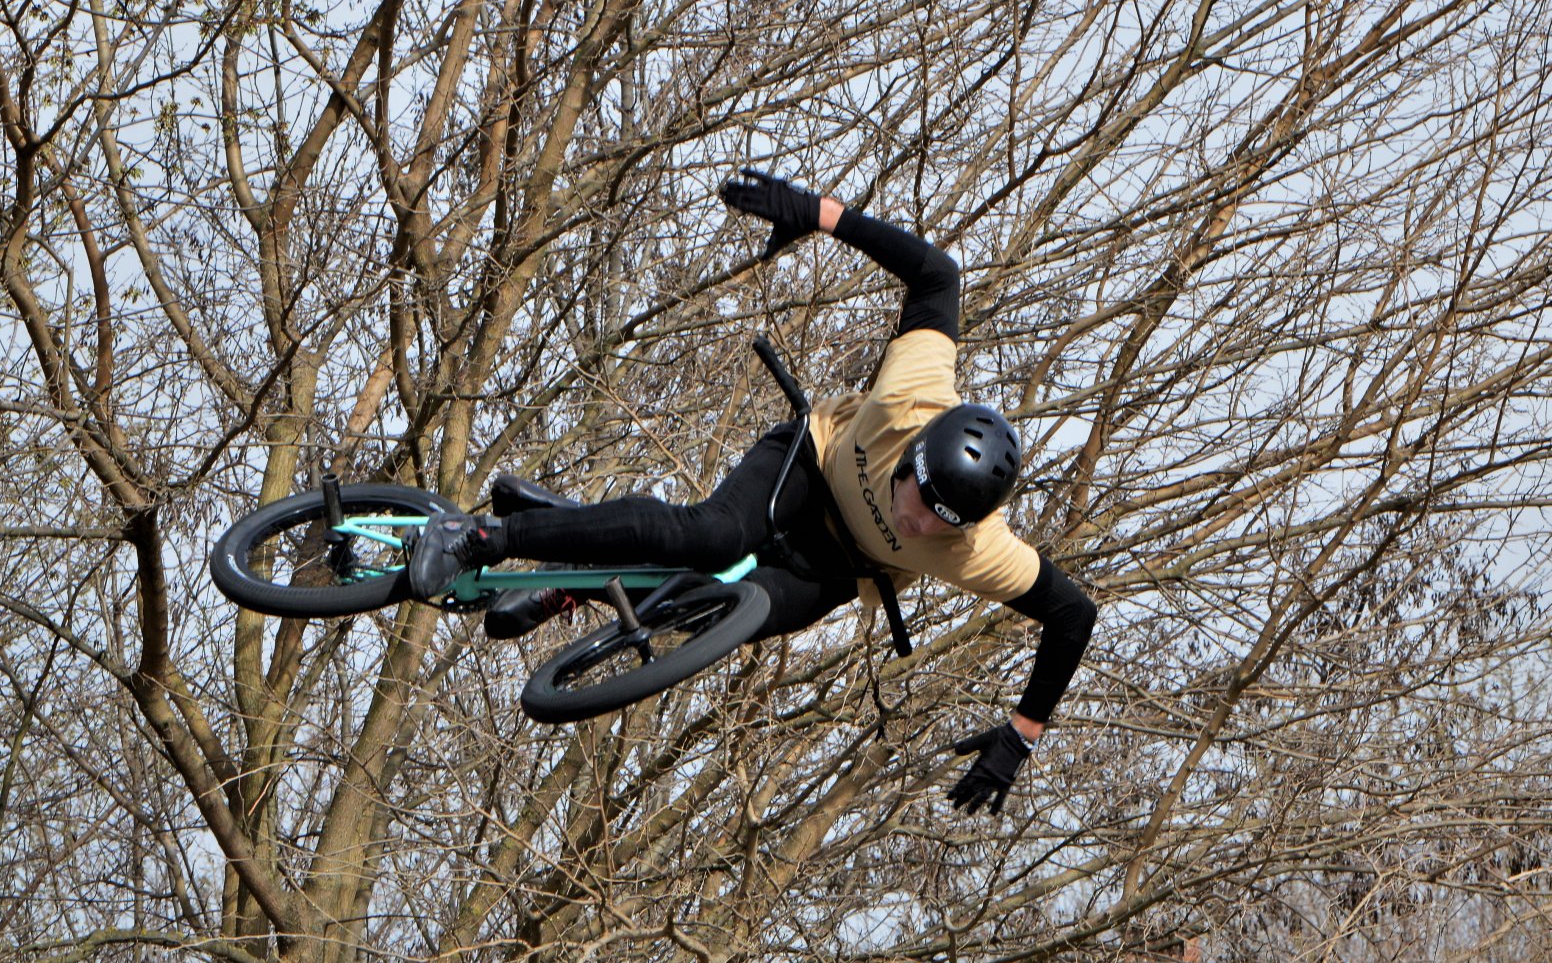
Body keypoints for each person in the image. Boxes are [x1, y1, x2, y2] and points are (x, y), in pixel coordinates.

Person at [408, 171, 1098, 814]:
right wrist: (818, 213)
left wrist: (1021, 735)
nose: (920, 525)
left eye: (943, 524)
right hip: (805, 465)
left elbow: (1072, 615)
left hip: (837, 568)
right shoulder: (910, 394)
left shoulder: (978, 549)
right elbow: (938, 274)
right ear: (915, 456)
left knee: (711, 613)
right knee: (711, 537)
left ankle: (576, 573)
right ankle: (478, 536)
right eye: (922, 500)